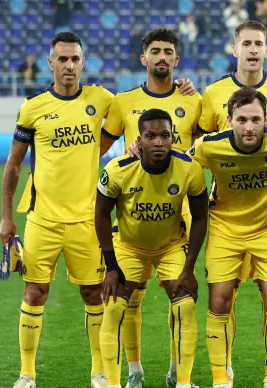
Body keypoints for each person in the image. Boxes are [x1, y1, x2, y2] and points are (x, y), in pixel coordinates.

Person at [0, 32, 115, 388]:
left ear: (83, 62)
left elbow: (140, 106)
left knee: (94, 294)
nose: (68, 65)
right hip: (42, 221)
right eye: (62, 59)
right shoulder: (32, 107)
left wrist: (185, 88)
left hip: (87, 220)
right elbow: (14, 166)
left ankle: (99, 372)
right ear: (50, 63)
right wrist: (6, 217)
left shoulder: (102, 99)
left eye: (74, 59)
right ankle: (27, 373)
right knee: (35, 292)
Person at [101, 28, 203, 388]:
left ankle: (178, 370)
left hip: (180, 211)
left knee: (182, 293)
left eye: (168, 51)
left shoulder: (194, 100)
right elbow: (98, 147)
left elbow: (210, 142)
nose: (162, 56)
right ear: (143, 58)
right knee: (131, 296)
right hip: (136, 205)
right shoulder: (121, 101)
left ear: (177, 59)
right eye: (155, 51)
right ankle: (134, 370)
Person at [191, 87, 267, 388]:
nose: (249, 127)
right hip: (224, 229)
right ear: (228, 120)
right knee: (218, 302)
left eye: (256, 119)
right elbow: (178, 163)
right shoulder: (209, 146)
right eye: (241, 119)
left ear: (266, 119)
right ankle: (221, 380)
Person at [197, 20, 267, 387]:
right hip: (225, 220)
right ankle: (223, 377)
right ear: (234, 48)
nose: (253, 49)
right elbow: (195, 143)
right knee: (221, 299)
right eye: (246, 43)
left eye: (259, 43)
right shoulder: (212, 95)